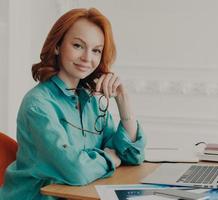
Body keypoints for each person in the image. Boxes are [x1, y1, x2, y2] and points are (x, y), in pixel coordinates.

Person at [0, 7, 145, 200]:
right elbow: (75, 171)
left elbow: (131, 157)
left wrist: (123, 103)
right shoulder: (38, 105)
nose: (87, 58)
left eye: (96, 50)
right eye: (78, 45)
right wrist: (108, 158)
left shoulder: (92, 100)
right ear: (58, 46)